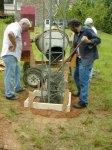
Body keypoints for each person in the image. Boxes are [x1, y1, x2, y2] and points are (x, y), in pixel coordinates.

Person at [68, 19, 101, 108]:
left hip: (87, 58)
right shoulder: (76, 34)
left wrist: (88, 41)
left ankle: (83, 102)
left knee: (83, 80)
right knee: (76, 76)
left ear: (75, 26)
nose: (70, 29)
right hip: (79, 58)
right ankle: (80, 92)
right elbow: (74, 46)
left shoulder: (87, 30)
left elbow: (98, 40)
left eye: (71, 27)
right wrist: (70, 59)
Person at [1, 18, 31, 100]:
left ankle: (18, 87)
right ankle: (9, 94)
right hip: (10, 55)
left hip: (13, 56)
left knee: (17, 71)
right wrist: (13, 45)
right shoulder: (16, 27)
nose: (25, 30)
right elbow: (10, 34)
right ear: (23, 24)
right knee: (10, 75)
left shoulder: (16, 27)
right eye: (26, 28)